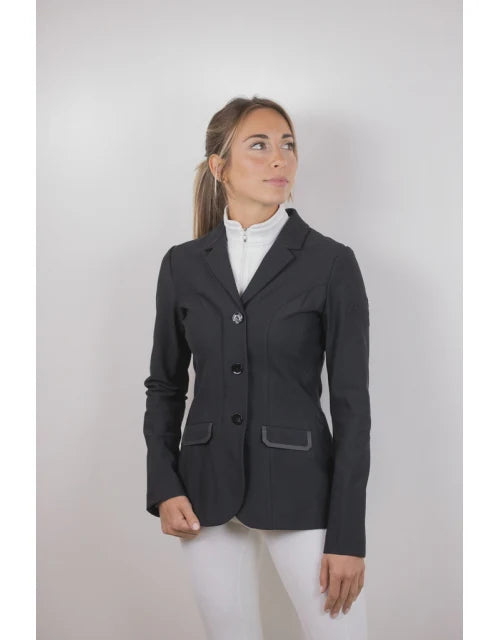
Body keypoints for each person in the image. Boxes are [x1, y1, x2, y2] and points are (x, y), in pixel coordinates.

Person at [143, 96, 371, 639]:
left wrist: (347, 535)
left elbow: (352, 407)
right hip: (203, 493)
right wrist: (164, 484)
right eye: (260, 145)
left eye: (288, 145)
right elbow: (165, 385)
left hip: (302, 490)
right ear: (219, 167)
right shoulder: (181, 265)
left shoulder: (331, 263)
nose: (279, 159)